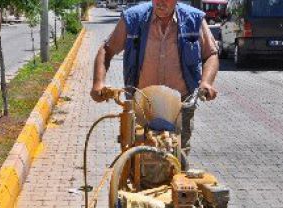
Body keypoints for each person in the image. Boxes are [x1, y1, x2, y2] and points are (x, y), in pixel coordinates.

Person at [90, 0, 219, 157]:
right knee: (138, 156)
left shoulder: (194, 19)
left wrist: (206, 83)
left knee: (178, 156)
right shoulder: (133, 19)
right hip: (141, 103)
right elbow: (106, 50)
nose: (161, 2)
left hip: (181, 104)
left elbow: (211, 54)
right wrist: (98, 83)